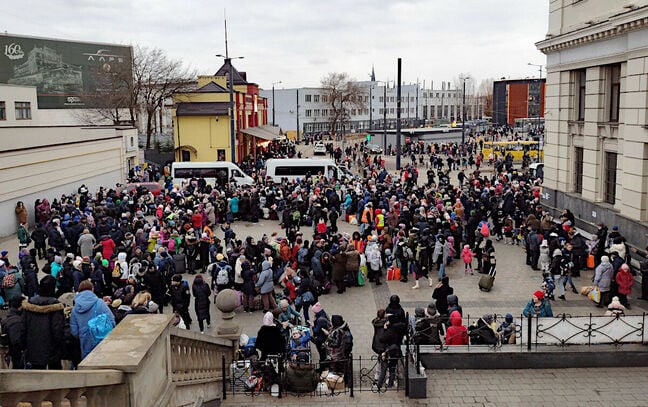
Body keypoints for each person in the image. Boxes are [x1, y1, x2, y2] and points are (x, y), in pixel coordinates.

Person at [21, 275, 65, 369]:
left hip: (33, 347)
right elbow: (57, 329)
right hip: (52, 348)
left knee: (38, 376)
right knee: (55, 376)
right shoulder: (55, 306)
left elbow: (23, 327)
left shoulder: (29, 305)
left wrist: (24, 345)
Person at [70, 280, 115, 360]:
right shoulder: (100, 303)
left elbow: (74, 331)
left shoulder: (75, 309)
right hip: (101, 340)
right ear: (92, 289)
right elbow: (111, 321)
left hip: (85, 342)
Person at [1, 297, 24, 368]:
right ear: (20, 306)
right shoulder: (17, 321)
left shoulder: (10, 317)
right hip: (17, 355)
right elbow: (16, 341)